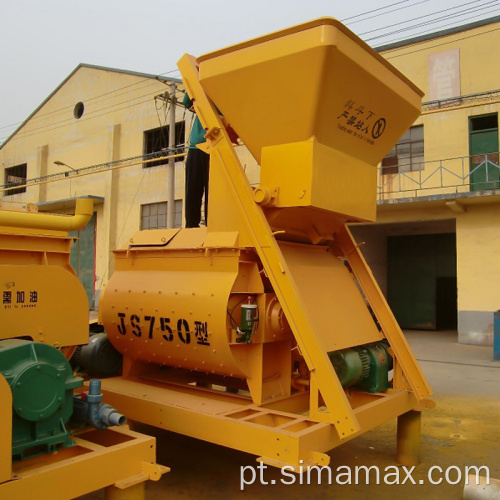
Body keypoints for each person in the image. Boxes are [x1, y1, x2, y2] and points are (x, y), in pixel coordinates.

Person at [182, 92, 209, 228]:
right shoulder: (201, 89)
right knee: (193, 190)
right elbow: (187, 102)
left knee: (212, 190)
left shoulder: (224, 90)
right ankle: (191, 226)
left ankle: (213, 226)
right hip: (195, 147)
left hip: (215, 147)